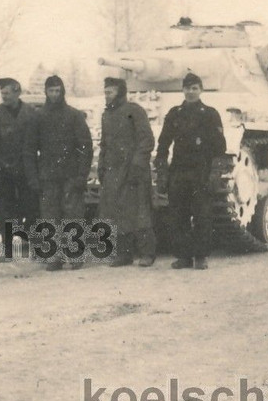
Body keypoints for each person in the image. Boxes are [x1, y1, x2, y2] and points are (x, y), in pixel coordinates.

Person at [155, 72, 226, 270]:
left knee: (202, 214)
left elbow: (220, 147)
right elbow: (163, 143)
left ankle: (201, 256)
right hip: (178, 171)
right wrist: (162, 169)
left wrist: (215, 172)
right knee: (179, 215)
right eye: (187, 88)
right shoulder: (175, 113)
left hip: (201, 171)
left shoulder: (210, 114)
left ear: (201, 90)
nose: (191, 92)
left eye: (194, 88)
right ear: (182, 90)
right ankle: (183, 256)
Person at [23, 75, 93, 270]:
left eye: (57, 90)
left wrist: (81, 175)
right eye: (51, 90)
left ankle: (75, 254)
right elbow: (29, 150)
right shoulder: (38, 117)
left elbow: (85, 147)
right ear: (46, 92)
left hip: (71, 175)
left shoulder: (74, 116)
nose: (54, 94)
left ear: (63, 92)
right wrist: (33, 178)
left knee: (73, 214)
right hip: (47, 176)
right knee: (50, 216)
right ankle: (54, 257)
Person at [97, 76, 156, 267]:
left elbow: (146, 140)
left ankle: (147, 252)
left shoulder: (134, 111)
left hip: (133, 170)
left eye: (110, 92)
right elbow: (105, 144)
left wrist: (137, 165)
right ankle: (124, 254)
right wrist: (102, 166)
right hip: (114, 171)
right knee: (116, 212)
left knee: (140, 212)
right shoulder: (106, 115)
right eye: (105, 92)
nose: (107, 95)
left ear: (120, 93)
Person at [0, 77, 38, 258]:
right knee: (5, 209)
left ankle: (33, 244)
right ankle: (6, 247)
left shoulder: (30, 113)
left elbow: (37, 140)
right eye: (2, 93)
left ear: (17, 92)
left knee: (30, 206)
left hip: (26, 169)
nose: (4, 97)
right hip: (3, 169)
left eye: (7, 93)